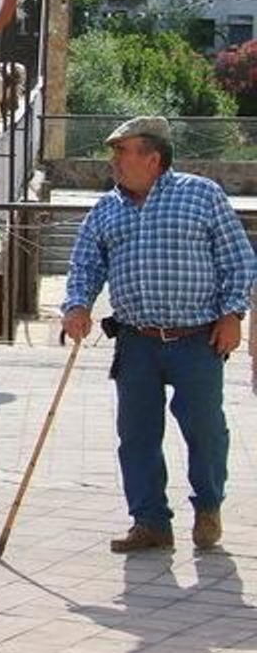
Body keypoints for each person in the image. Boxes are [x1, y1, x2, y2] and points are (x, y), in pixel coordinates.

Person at [61, 116, 256, 553]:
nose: (114, 161)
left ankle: (208, 506)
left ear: (153, 157)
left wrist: (233, 315)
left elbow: (239, 261)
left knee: (205, 429)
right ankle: (150, 522)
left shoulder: (201, 195)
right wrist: (77, 305)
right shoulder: (106, 209)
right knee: (136, 433)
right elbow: (85, 265)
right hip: (136, 340)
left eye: (121, 151)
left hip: (198, 338)